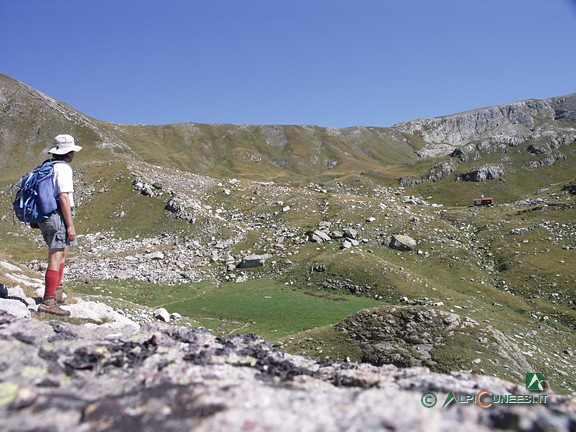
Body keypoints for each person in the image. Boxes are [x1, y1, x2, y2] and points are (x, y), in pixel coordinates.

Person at [37, 134, 82, 317]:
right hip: (57, 216)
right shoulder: (63, 169)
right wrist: (70, 225)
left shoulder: (48, 166)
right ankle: (48, 301)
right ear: (69, 153)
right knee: (55, 256)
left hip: (46, 216)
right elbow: (63, 196)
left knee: (63, 251)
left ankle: (56, 292)